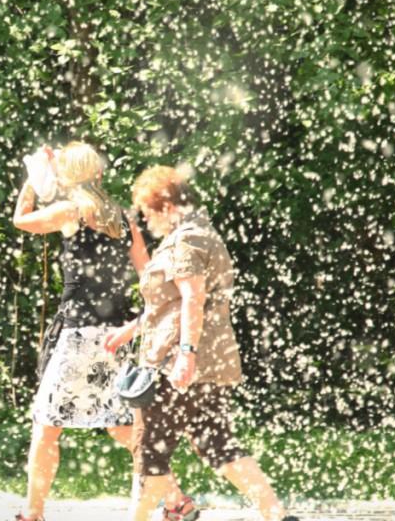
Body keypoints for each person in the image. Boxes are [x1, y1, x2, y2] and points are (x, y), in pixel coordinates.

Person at [104, 165, 298, 521]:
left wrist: (185, 356)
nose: (147, 222)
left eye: (148, 213)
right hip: (213, 362)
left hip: (177, 365)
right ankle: (277, 515)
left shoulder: (184, 241)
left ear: (165, 206)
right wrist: (131, 330)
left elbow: (193, 297)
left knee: (149, 452)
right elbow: (173, 304)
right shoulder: (205, 233)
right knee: (219, 446)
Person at [12, 143, 195, 521]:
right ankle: (176, 500)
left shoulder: (70, 211)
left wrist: (32, 179)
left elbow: (21, 218)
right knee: (120, 425)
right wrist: (142, 325)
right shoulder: (125, 220)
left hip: (77, 334)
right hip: (116, 336)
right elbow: (149, 281)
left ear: (66, 177)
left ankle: (33, 515)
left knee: (46, 426)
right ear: (97, 174)